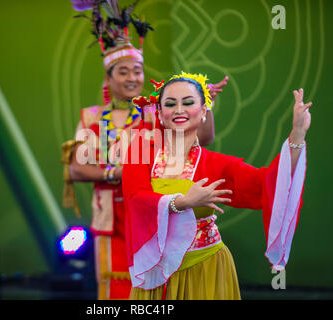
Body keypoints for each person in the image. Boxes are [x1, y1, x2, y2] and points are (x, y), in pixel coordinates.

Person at [61, 2, 229, 300]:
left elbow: (204, 137)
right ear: (108, 78)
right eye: (123, 71)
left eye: (137, 71)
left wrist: (206, 104)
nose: (131, 78)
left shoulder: (158, 115)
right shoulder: (91, 117)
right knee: (115, 288)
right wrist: (117, 173)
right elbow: (76, 168)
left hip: (153, 211)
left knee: (156, 286)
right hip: (111, 217)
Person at [122, 72, 310, 300]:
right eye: (170, 104)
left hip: (207, 269)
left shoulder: (217, 165)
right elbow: (135, 198)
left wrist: (297, 134)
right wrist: (183, 202)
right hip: (155, 271)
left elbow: (266, 185)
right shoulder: (140, 154)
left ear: (203, 111)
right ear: (160, 113)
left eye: (188, 102)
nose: (179, 109)